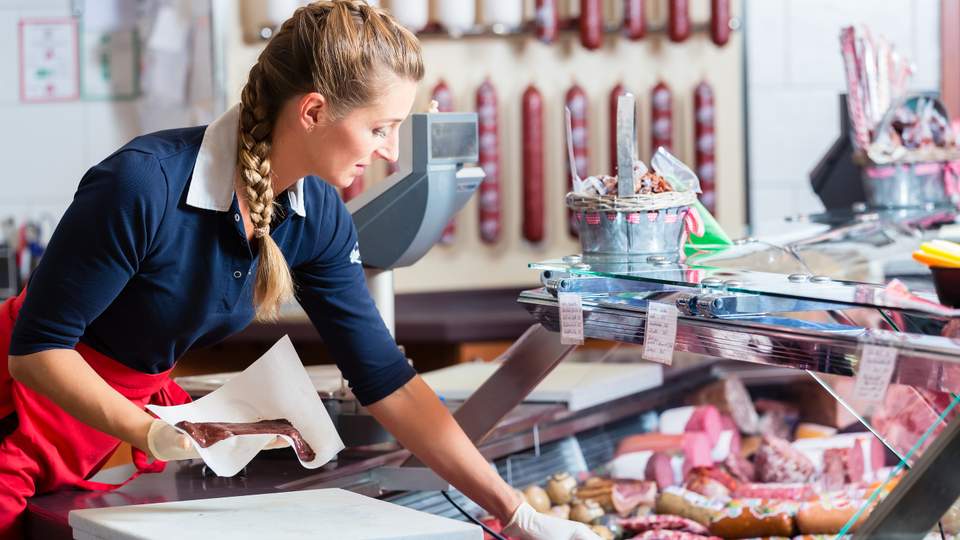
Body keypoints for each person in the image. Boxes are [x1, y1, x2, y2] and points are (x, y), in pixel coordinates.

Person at [0, 2, 600, 539]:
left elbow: (387, 380)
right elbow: (35, 351)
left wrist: (514, 513)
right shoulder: (143, 184)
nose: (391, 151)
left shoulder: (317, 220)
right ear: (313, 110)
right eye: (380, 128)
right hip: (20, 404)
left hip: (105, 424)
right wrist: (151, 432)